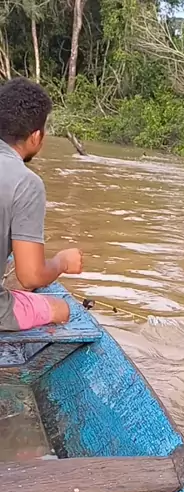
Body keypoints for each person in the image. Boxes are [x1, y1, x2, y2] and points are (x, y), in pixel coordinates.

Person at [0, 77, 83, 332]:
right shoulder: (27, 183)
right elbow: (31, 276)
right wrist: (61, 262)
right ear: (36, 137)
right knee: (63, 310)